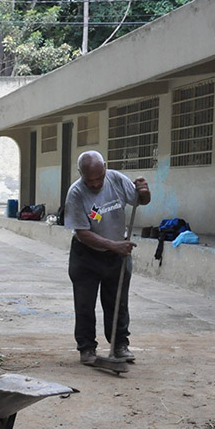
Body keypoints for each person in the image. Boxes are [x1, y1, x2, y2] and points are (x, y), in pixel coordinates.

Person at [63, 150, 151, 365]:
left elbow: (141, 201)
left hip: (116, 255)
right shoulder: (76, 193)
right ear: (80, 174)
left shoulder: (116, 179)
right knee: (85, 304)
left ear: (105, 168)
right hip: (86, 256)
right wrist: (114, 245)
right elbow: (82, 233)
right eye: (89, 180)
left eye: (98, 178)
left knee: (118, 302)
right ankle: (87, 349)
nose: (94, 184)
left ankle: (120, 345)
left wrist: (145, 191)